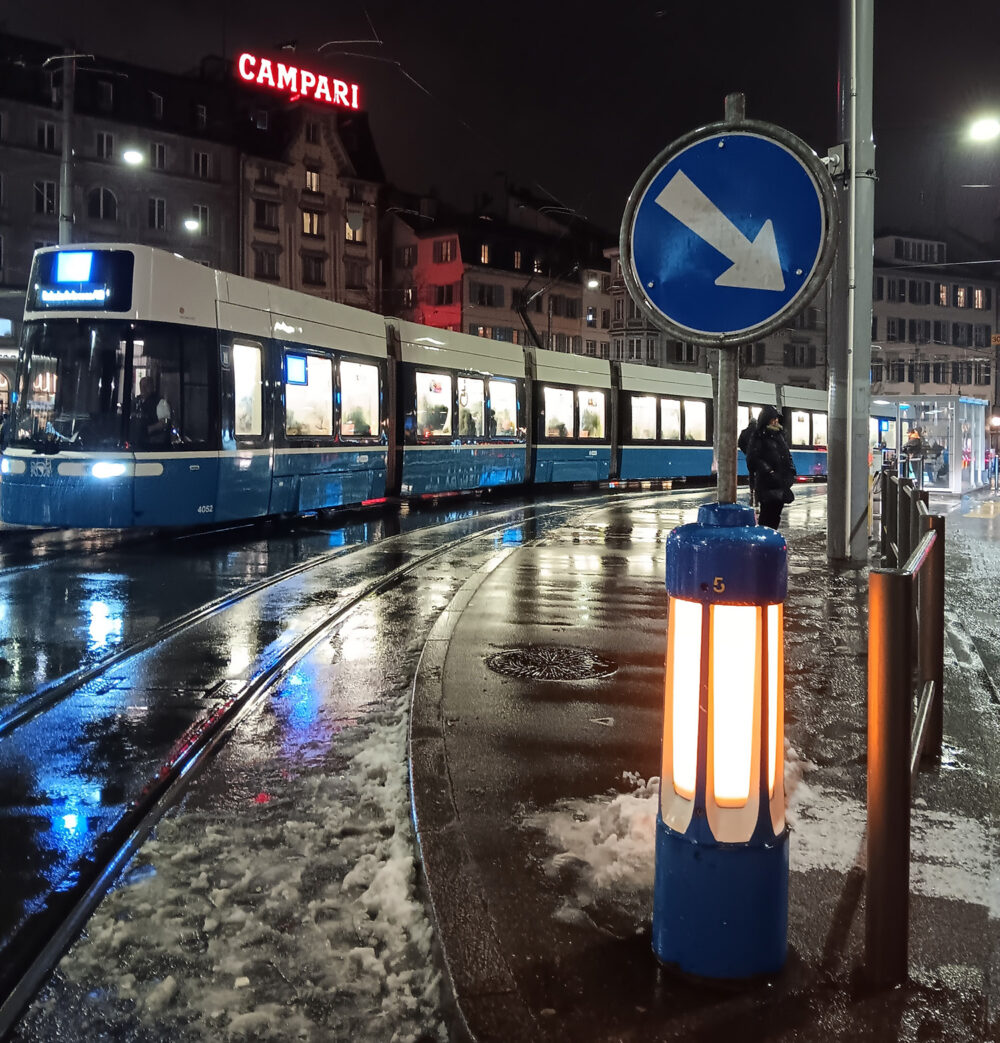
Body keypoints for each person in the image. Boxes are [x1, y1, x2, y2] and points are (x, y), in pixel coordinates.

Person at [747, 405, 796, 529]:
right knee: (767, 516)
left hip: (780, 482)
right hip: (767, 483)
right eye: (773, 418)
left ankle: (772, 537)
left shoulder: (779, 435)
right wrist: (769, 471)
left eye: (776, 418)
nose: (776, 421)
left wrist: (791, 471)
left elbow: (787, 454)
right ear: (766, 419)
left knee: (776, 515)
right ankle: (765, 538)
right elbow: (753, 458)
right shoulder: (759, 436)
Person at [132, 376, 172, 448]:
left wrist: (148, 429)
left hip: (153, 444)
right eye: (141, 386)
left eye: (146, 386)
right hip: (136, 442)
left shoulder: (160, 402)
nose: (143, 388)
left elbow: (165, 422)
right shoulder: (136, 401)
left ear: (152, 387)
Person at [737, 413, 758, 505]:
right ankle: (757, 489)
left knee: (751, 473)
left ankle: (751, 489)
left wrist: (746, 451)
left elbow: (740, 443)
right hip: (758, 456)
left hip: (749, 456)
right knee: (758, 473)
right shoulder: (759, 432)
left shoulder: (744, 432)